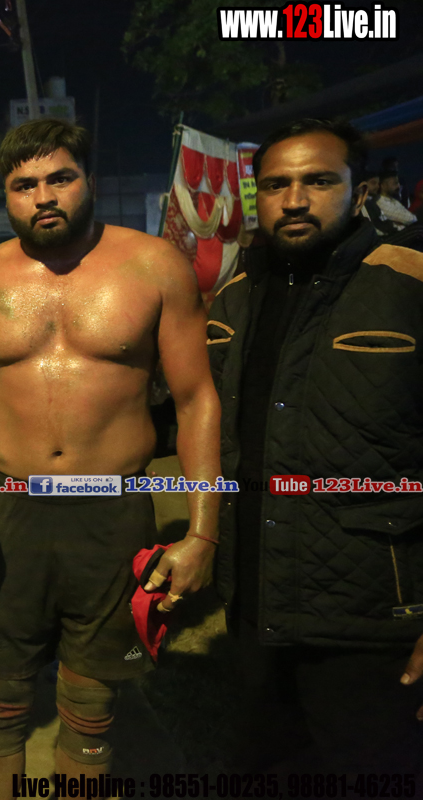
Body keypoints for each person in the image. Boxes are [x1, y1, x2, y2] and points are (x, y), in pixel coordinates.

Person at [0, 118, 222, 790]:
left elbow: (196, 400)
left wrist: (204, 532)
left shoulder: (154, 267)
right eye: (24, 185)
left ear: (88, 178)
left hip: (111, 513)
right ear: (7, 195)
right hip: (14, 513)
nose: (44, 197)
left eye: (59, 178)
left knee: (91, 709)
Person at [207, 118, 423, 775]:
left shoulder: (409, 280)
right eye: (276, 185)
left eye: (319, 181)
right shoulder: (234, 295)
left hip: (373, 618)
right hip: (255, 607)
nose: (295, 200)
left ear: (360, 191)